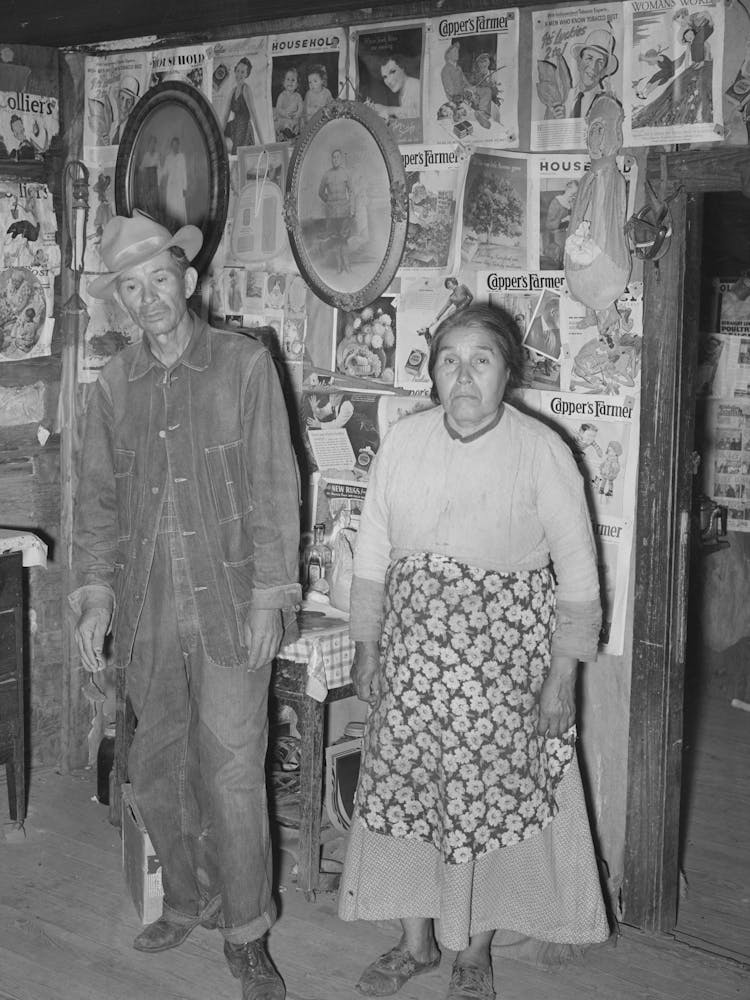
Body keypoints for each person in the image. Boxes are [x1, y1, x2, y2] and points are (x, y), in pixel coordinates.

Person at [338, 303, 608, 1000]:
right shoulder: (404, 441)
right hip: (411, 663)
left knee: (489, 809)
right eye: (449, 360)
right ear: (432, 374)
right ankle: (414, 944)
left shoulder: (542, 450)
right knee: (404, 799)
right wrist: (366, 646)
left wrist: (561, 678)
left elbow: (578, 573)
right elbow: (372, 552)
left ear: (507, 372)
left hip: (503, 672)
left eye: (480, 360)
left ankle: (474, 954)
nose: (463, 375)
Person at [69, 210, 301, 1000]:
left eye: (158, 280)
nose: (147, 299)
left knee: (233, 773)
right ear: (121, 303)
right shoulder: (112, 387)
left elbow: (276, 488)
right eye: (130, 289)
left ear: (188, 280)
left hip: (231, 603)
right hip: (146, 613)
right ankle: (191, 900)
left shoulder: (243, 364)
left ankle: (247, 935)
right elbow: (96, 501)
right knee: (158, 768)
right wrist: (95, 592)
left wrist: (273, 595)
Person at [550, 29, 618, 119]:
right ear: (579, 62)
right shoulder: (565, 98)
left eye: (600, 62)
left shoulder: (607, 103)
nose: (593, 67)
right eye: (589, 58)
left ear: (604, 72)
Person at [318, 148, 352, 273]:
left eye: (337, 157)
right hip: (332, 212)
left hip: (344, 210)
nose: (335, 159)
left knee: (344, 238)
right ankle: (339, 266)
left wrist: (351, 208)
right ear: (331, 159)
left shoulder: (346, 173)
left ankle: (347, 265)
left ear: (341, 159)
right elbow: (320, 192)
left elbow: (352, 192)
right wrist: (329, 202)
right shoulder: (327, 175)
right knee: (335, 239)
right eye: (333, 157)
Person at [224, 56, 260, 152]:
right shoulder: (233, 91)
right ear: (235, 71)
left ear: (247, 74)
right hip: (233, 126)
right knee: (216, 135)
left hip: (244, 129)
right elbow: (225, 117)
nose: (239, 74)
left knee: (237, 154)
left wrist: (263, 143)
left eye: (243, 72)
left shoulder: (246, 90)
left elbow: (254, 117)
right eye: (238, 70)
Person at [369, 52, 420, 119]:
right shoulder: (402, 92)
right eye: (385, 77)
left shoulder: (416, 85)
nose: (389, 81)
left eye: (392, 72)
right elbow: (407, 119)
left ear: (402, 68)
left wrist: (389, 109)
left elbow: (422, 114)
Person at [543, 180, 579, 268]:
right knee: (567, 251)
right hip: (557, 233)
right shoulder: (556, 201)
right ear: (567, 188)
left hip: (570, 232)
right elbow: (549, 224)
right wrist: (563, 220)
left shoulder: (572, 203)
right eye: (572, 193)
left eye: (575, 194)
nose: (573, 196)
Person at [162, 136, 188, 229]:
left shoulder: (182, 157)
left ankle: (181, 227)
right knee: (171, 207)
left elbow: (184, 172)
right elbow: (164, 172)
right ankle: (171, 227)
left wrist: (185, 188)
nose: (175, 147)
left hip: (179, 186)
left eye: (176, 145)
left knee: (180, 207)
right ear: (171, 146)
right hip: (171, 186)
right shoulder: (168, 157)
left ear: (179, 145)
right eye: (173, 145)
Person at [274, 67, 304, 140]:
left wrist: (297, 114)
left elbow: (300, 108)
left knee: (299, 123)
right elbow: (278, 108)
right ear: (284, 82)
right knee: (285, 124)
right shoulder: (282, 95)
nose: (290, 82)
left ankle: (294, 133)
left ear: (297, 84)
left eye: (293, 80)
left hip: (294, 118)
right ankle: (286, 134)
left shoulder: (298, 96)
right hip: (284, 118)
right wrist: (285, 114)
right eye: (288, 79)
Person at [110, 75, 140, 145]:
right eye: (122, 98)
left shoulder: (133, 130)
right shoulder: (111, 127)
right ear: (117, 99)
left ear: (133, 106)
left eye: (128, 101)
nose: (124, 105)